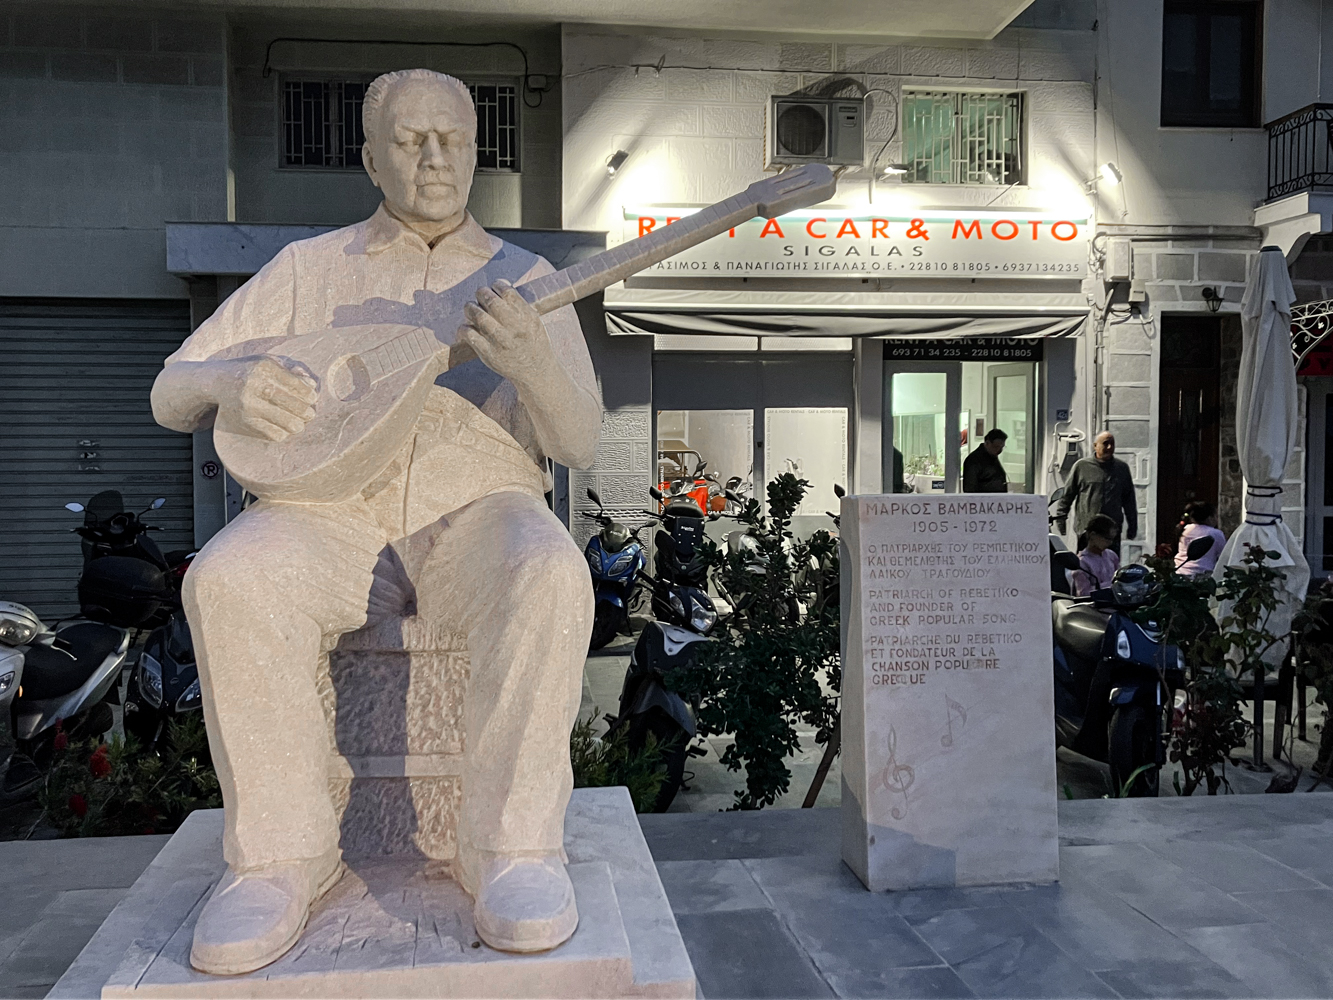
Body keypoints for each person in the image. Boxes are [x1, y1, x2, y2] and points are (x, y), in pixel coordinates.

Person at [151, 70, 600, 973]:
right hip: (324, 510)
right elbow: (171, 388)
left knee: (548, 570)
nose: (434, 159)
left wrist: (535, 367)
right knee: (230, 577)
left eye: (453, 140)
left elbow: (580, 437)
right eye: (408, 141)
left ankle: (511, 849)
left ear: (478, 151)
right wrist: (232, 381)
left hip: (478, 509)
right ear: (368, 156)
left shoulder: (529, 278)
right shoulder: (306, 271)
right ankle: (280, 859)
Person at [1053, 431, 1137, 553]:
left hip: (1111, 532)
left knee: (1110, 566)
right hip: (1087, 531)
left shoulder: (1121, 469)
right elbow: (1068, 495)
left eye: (1112, 444)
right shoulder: (1081, 467)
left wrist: (1132, 527)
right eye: (1105, 443)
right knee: (1086, 566)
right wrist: (1061, 520)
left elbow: (1129, 500)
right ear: (1095, 446)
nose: (1109, 447)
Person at [1072, 514, 1120, 597]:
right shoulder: (1082, 563)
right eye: (1107, 538)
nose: (1110, 543)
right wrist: (1110, 587)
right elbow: (1083, 593)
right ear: (1093, 535)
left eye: (1112, 539)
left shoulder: (1112, 556)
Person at [1175, 501, 1226, 576]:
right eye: (1216, 516)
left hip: (1180, 571)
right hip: (1202, 575)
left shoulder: (1185, 529)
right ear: (1210, 517)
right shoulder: (1215, 533)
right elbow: (1223, 556)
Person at [962, 428, 1009, 493]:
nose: (1000, 451)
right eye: (996, 447)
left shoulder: (992, 456)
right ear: (987, 443)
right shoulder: (974, 460)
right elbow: (970, 487)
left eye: (1002, 447)